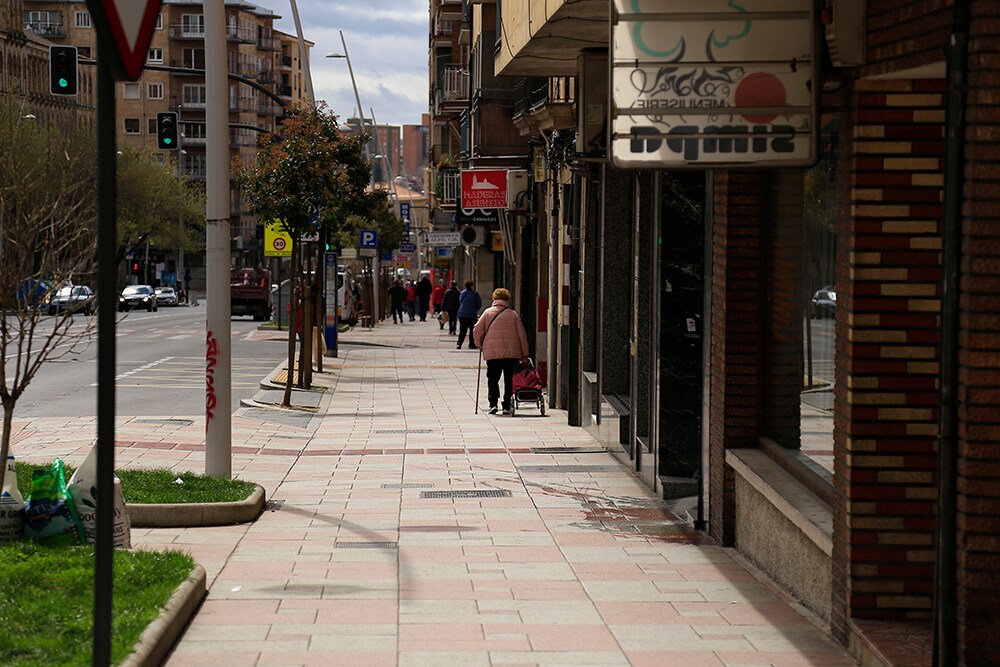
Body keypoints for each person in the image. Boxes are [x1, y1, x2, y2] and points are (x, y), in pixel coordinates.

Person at [474, 288, 529, 415]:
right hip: (512, 354)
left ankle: (493, 404)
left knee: (492, 378)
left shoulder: (487, 313)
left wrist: (480, 344)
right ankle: (506, 405)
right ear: (507, 299)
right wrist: (525, 354)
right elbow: (522, 335)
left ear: (494, 298)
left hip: (493, 353)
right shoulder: (513, 314)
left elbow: (477, 330)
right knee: (509, 379)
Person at [456, 280, 482, 349]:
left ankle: (459, 343)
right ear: (472, 286)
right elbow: (478, 304)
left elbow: (460, 301)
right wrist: (475, 309)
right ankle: (471, 344)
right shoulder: (475, 294)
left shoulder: (462, 293)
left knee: (463, 330)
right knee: (472, 330)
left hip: (462, 314)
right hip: (471, 314)